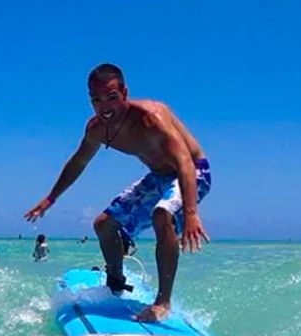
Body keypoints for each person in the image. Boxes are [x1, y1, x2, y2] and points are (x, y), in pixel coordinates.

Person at [25, 63, 211, 321]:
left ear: (125, 93)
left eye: (111, 97)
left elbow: (184, 163)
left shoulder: (152, 119)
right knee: (104, 225)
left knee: (161, 215)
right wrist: (50, 198)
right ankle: (115, 283)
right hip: (158, 177)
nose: (105, 106)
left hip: (193, 172)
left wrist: (191, 213)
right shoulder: (97, 129)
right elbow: (79, 161)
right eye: (96, 100)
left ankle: (163, 302)